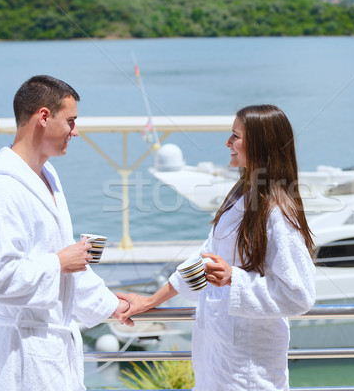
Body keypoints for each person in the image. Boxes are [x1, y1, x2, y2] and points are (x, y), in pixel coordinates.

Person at [117, 104, 316, 390]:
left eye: (235, 136)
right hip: (217, 360)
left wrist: (235, 279)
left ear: (259, 144)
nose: (227, 143)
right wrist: (150, 301)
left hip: (250, 370)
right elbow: (205, 259)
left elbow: (300, 294)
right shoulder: (242, 195)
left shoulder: (278, 212)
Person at [0, 75, 132, 391]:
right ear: (43, 117)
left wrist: (113, 304)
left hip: (48, 351)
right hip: (18, 359)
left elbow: (67, 270)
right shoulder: (0, 188)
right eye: (71, 121)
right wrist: (58, 262)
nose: (76, 131)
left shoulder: (47, 179)